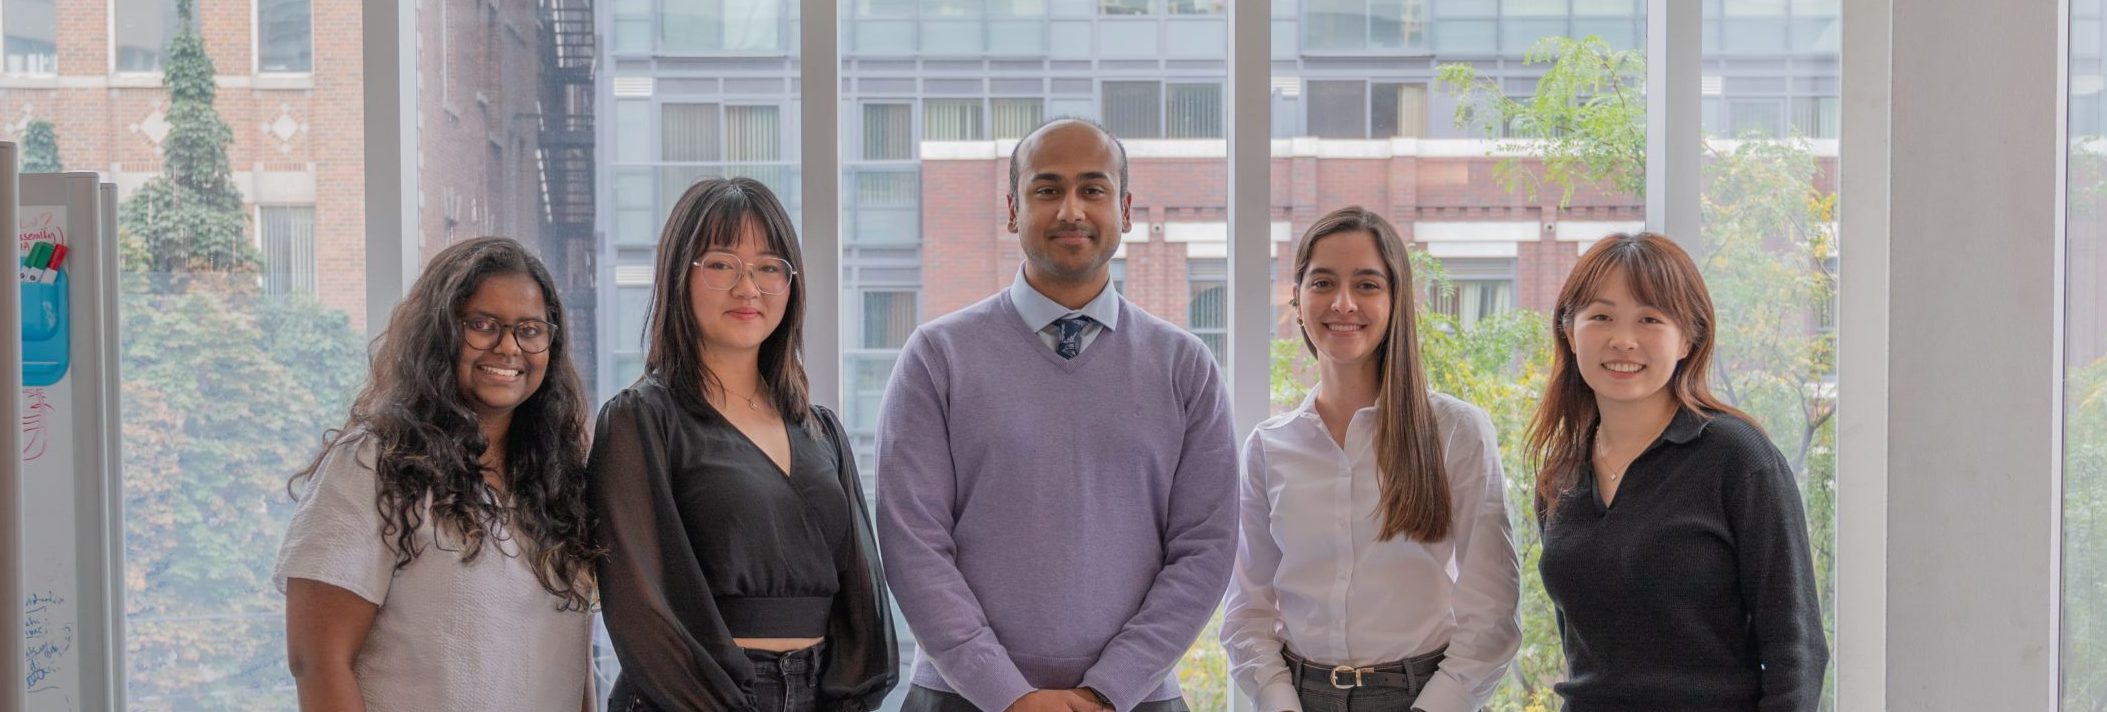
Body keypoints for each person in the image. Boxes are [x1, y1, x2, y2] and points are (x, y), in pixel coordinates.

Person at [876, 117, 1239, 712]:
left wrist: (1106, 690)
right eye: (1047, 189)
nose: (1071, 209)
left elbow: (1206, 547)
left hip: (1134, 699)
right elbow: (912, 541)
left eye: (1092, 190)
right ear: (1014, 210)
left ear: (1123, 209)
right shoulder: (937, 357)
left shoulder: (1185, 366)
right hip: (961, 698)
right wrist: (1007, 695)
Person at [590, 177, 895, 712]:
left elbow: (863, 603)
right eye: (721, 264)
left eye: (769, 267)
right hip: (686, 701)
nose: (747, 287)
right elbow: (642, 611)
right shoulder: (642, 421)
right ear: (678, 276)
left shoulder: (820, 429)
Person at [277, 236, 599, 711]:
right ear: (440, 333)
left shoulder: (556, 484)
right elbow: (317, 659)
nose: (508, 346)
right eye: (482, 325)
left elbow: (570, 668)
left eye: (529, 330)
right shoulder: (375, 462)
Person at [1221, 207, 1521, 712]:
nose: (1343, 303)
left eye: (1366, 285)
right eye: (1323, 283)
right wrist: (1278, 701)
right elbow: (1247, 610)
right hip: (1298, 696)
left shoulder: (1457, 432)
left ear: (1396, 300)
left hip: (1422, 694)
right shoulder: (1269, 448)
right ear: (1297, 300)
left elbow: (1492, 613)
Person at [1529, 232, 1828, 711]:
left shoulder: (1737, 458)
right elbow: (1581, 648)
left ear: (1688, 337)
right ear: (1569, 330)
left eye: (1650, 319)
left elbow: (1797, 648)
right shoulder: (1560, 475)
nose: (1623, 340)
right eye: (1601, 316)